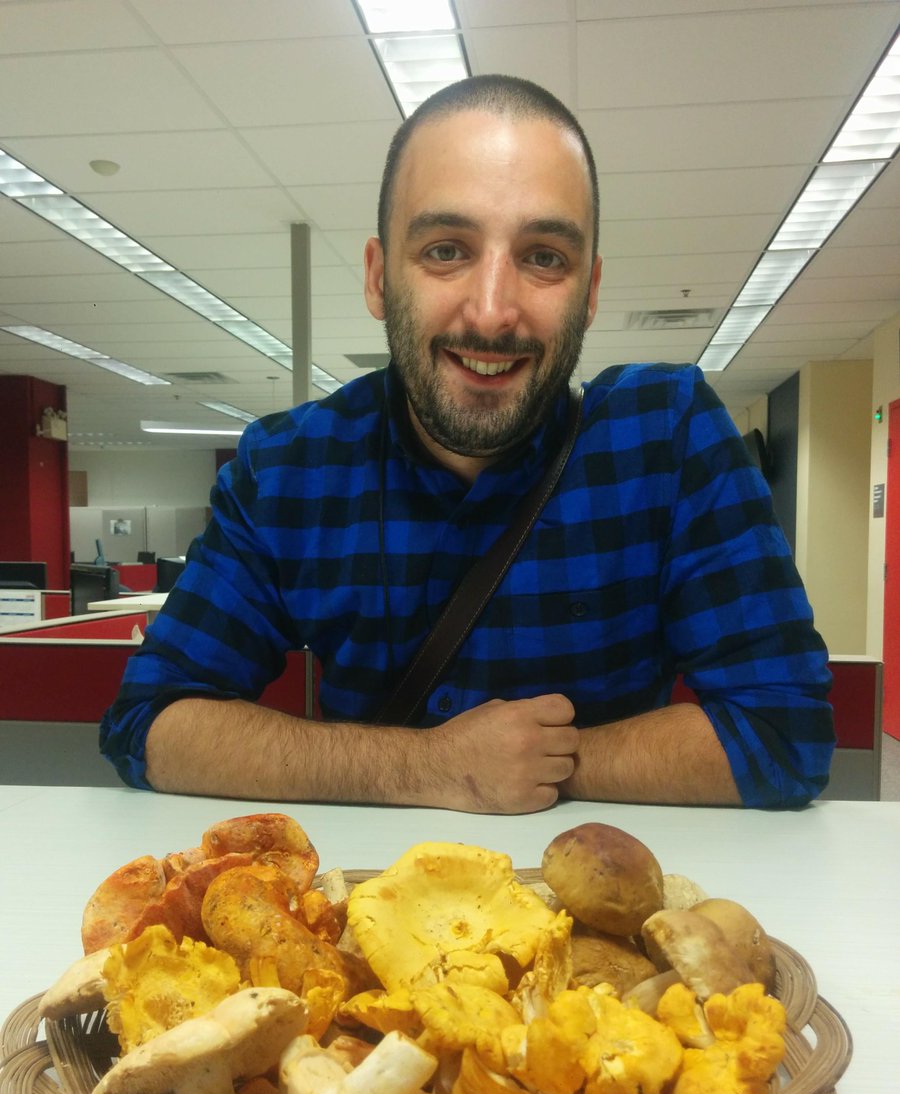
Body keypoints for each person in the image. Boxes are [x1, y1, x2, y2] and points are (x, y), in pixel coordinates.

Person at [100, 74, 834, 813]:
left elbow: (785, 732)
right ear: (380, 278)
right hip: (364, 909)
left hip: (596, 905)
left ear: (591, 289)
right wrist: (432, 766)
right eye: (447, 249)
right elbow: (151, 724)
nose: (491, 312)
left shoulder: (668, 439)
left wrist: (533, 766)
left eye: (544, 256)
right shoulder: (287, 469)